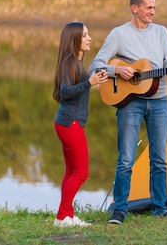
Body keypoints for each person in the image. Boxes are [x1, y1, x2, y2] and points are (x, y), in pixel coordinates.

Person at [90, 0, 167, 224]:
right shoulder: (119, 34)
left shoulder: (162, 32)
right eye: (149, 7)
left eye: (154, 8)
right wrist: (118, 71)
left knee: (159, 158)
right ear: (134, 8)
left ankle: (159, 208)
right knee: (126, 159)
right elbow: (95, 65)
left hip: (159, 101)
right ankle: (119, 209)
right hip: (130, 103)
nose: (153, 12)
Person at [52, 22, 107, 228]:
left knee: (71, 172)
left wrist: (94, 80)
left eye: (88, 34)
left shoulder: (75, 61)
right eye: (84, 35)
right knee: (81, 173)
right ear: (74, 39)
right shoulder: (70, 62)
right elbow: (66, 92)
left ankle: (66, 215)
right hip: (70, 123)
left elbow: (77, 87)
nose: (89, 38)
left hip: (68, 122)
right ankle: (62, 217)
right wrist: (90, 83)